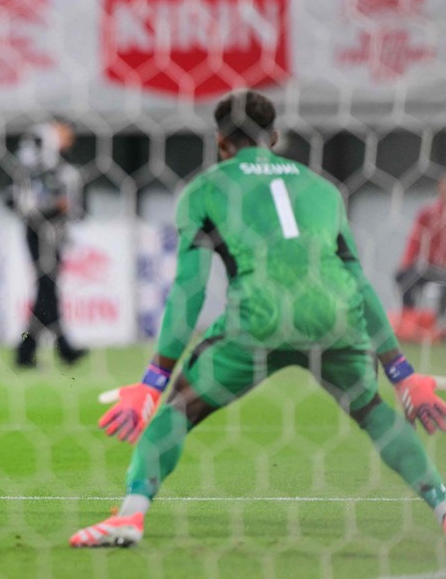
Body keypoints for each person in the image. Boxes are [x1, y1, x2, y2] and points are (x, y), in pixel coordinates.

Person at [70, 90, 446, 548]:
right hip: (336, 317)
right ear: (275, 137)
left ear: (220, 142)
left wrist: (152, 381)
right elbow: (360, 281)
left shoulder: (206, 189)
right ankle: (442, 505)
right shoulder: (323, 188)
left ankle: (129, 516)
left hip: (260, 319)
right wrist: (402, 373)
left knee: (176, 409)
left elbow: (189, 291)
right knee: (374, 413)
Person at [9, 118, 87, 368]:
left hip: (53, 231)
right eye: (67, 132)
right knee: (47, 287)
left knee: (46, 289)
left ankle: (26, 351)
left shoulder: (55, 164)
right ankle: (63, 348)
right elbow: (22, 198)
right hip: (38, 229)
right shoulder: (38, 152)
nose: (70, 139)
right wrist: (56, 205)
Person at [395, 176, 446, 319]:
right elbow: (415, 239)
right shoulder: (429, 212)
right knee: (404, 278)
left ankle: (439, 325)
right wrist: (406, 261)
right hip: (431, 268)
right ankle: (409, 320)